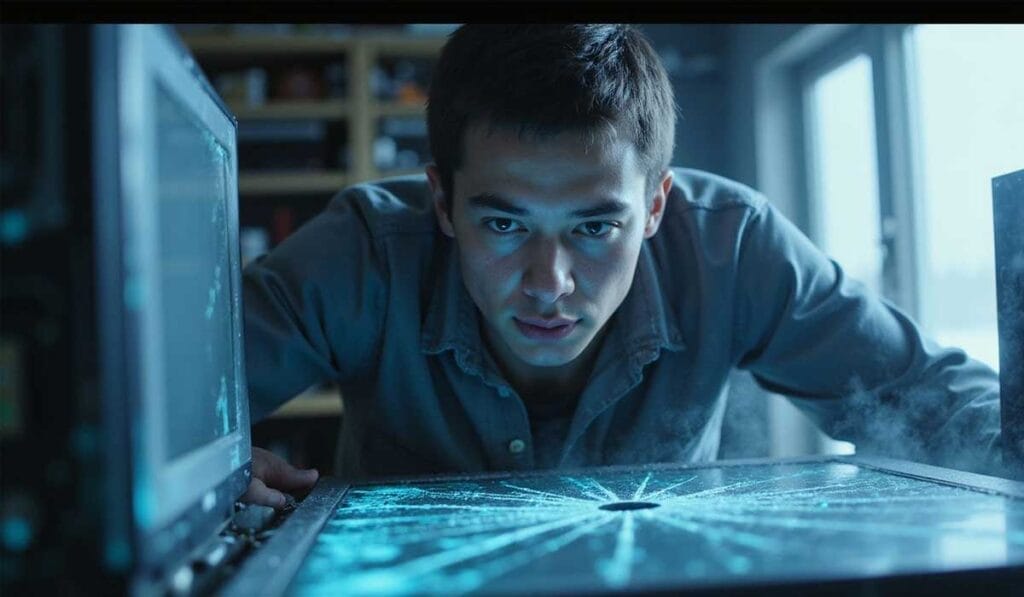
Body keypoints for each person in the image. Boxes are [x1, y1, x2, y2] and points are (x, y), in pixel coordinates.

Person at [239, 24, 1002, 508]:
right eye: (503, 222)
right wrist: (206, 479)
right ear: (441, 201)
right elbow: (160, 414)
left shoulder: (731, 245)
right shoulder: (367, 251)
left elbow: (929, 397)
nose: (550, 281)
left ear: (657, 206)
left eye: (597, 225)